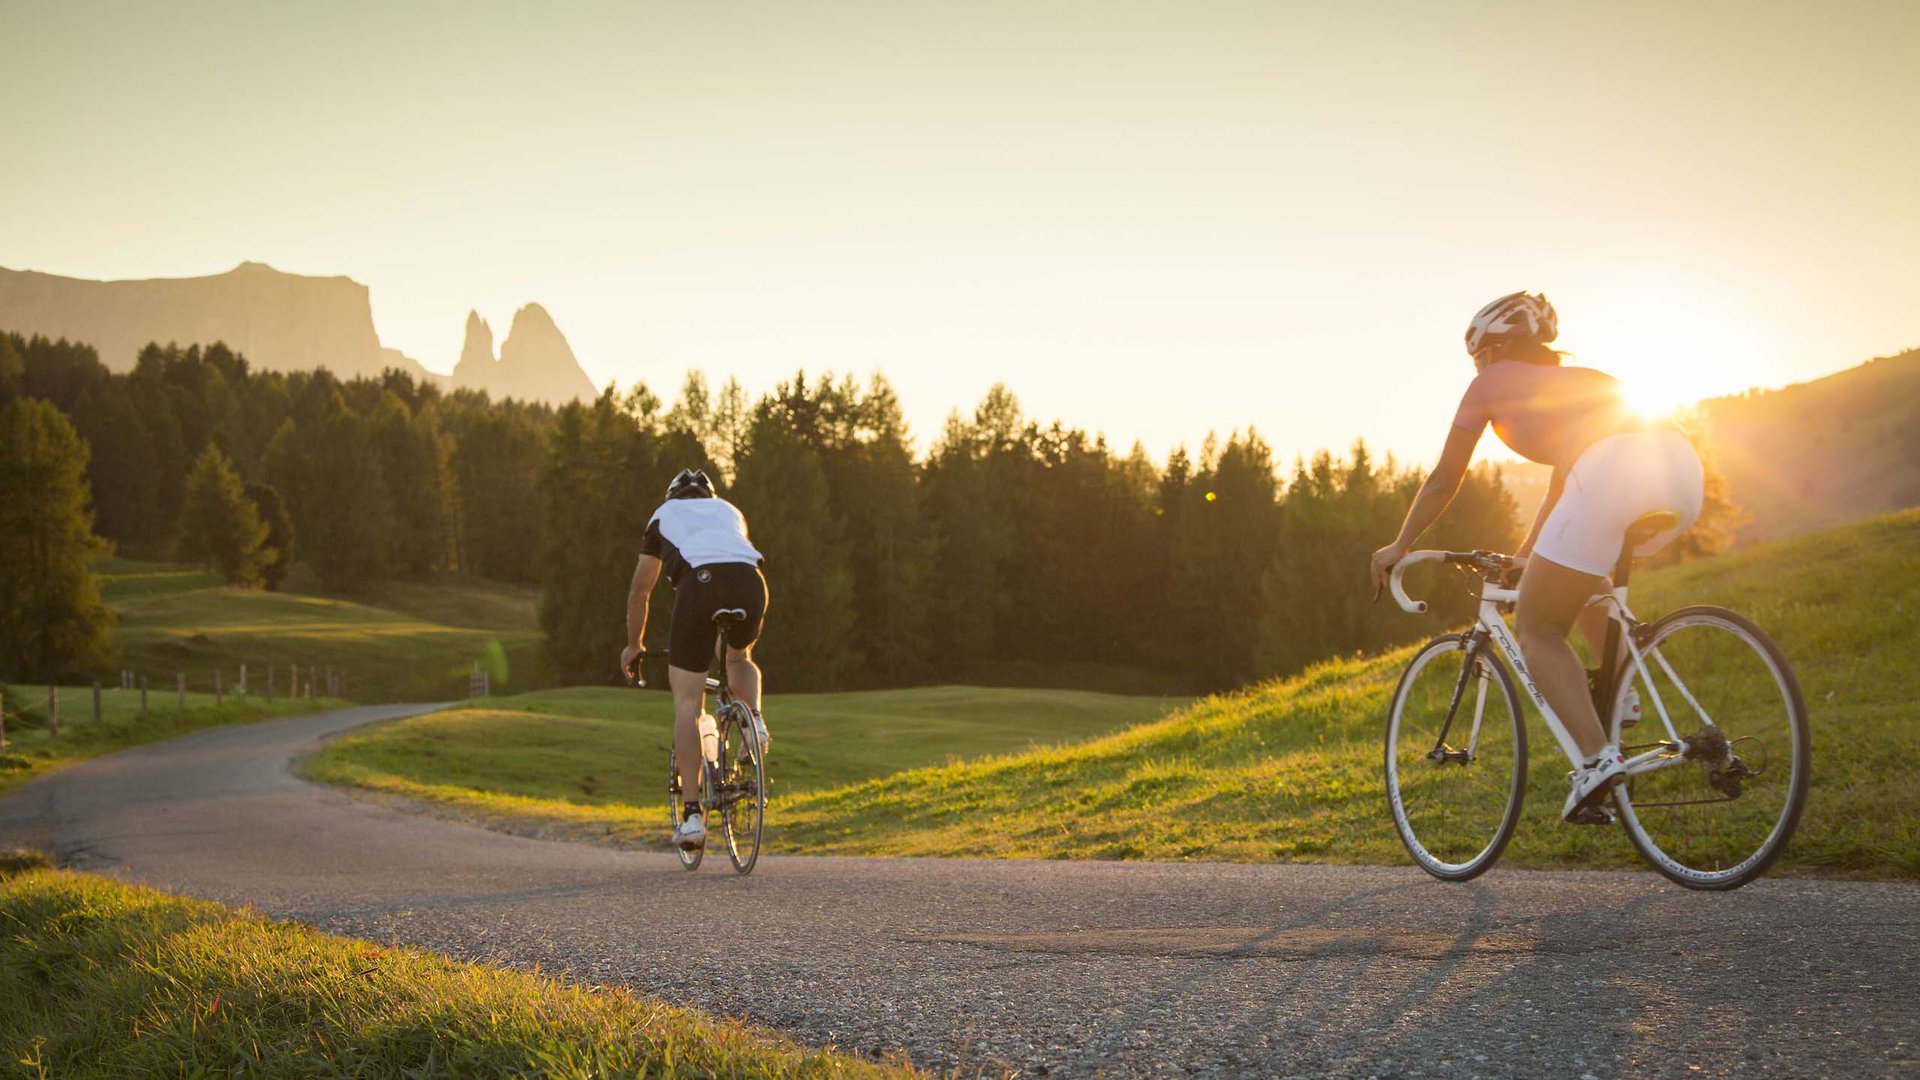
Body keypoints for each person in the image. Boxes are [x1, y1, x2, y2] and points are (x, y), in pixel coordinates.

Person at [1367, 291, 1704, 822]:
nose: (1478, 367)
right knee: (1584, 580)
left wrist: (1400, 543)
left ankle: (1597, 761)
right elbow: (1562, 491)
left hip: (1611, 469)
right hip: (1681, 469)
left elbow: (1443, 478)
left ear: (1495, 349)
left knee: (1538, 628)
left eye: (1479, 355)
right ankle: (1622, 695)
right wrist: (1526, 555)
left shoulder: (1490, 383)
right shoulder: (1581, 384)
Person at [620, 467, 769, 850]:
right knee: (737, 658)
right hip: (752, 583)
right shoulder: (730, 510)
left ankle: (691, 816)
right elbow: (731, 556)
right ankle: (754, 721)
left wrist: (634, 643)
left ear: (673, 497)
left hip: (700, 586)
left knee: (688, 700)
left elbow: (640, 591)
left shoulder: (662, 516)